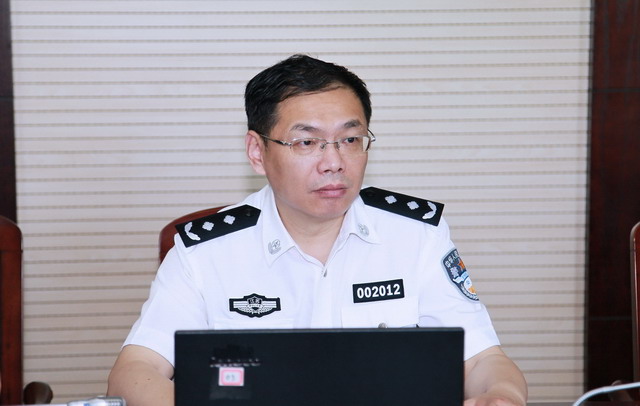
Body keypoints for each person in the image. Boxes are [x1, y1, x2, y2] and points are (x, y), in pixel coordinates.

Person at [107, 54, 527, 406]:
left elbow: (480, 359)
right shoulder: (205, 251)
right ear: (257, 151)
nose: (334, 162)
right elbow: (136, 371)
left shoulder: (416, 236)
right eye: (306, 143)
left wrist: (502, 395)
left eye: (350, 139)